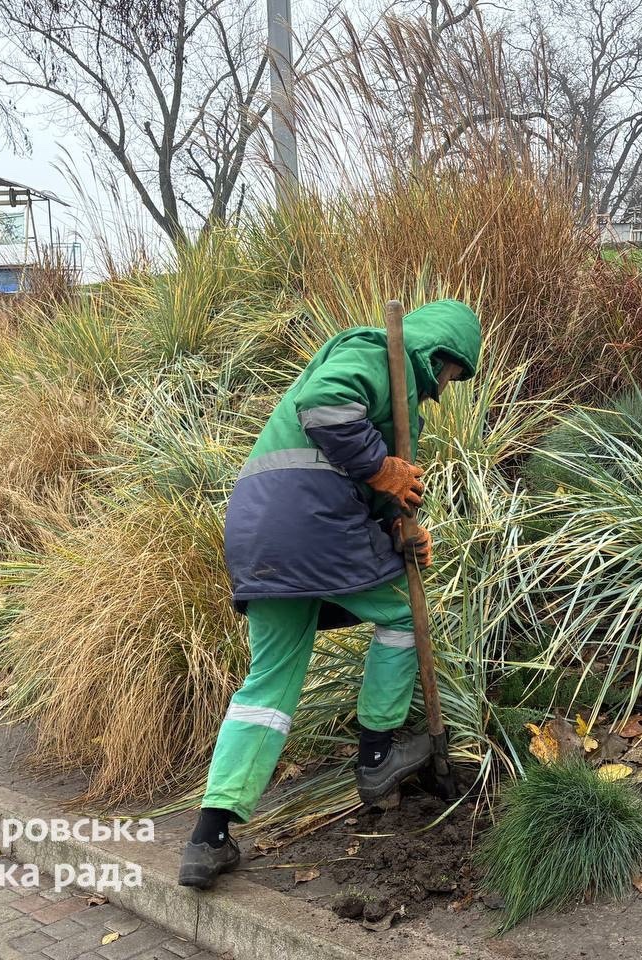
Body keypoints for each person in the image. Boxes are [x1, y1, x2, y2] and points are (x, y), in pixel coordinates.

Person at [178, 299, 482, 889]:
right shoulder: (378, 353)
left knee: (268, 684)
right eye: (453, 373)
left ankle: (208, 838)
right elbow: (325, 407)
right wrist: (381, 467)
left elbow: (354, 479)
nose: (447, 388)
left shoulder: (394, 381)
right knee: (402, 615)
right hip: (310, 528)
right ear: (443, 353)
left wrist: (398, 529)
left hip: (260, 534)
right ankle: (376, 757)